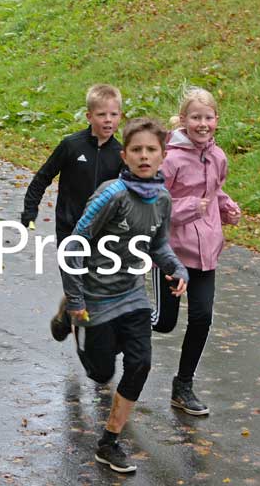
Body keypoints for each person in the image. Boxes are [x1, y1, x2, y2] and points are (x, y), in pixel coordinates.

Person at [61, 117, 188, 474]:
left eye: (151, 150)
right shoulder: (111, 195)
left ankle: (110, 441)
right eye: (137, 150)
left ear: (163, 156)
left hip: (133, 295)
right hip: (95, 296)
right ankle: (71, 321)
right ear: (125, 155)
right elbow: (74, 246)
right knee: (101, 374)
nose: (144, 156)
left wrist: (177, 269)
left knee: (140, 363)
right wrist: (75, 299)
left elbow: (159, 243)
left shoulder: (162, 198)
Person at [151, 88, 241, 416]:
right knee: (164, 323)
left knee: (202, 317)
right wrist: (191, 207)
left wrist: (225, 205)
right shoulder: (170, 158)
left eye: (208, 117)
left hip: (206, 252)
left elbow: (212, 191)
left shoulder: (218, 157)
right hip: (172, 252)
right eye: (195, 118)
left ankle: (183, 386)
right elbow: (154, 204)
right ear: (184, 120)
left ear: (216, 120)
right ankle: (117, 321)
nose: (202, 124)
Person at [19, 83, 124, 340]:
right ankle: (80, 333)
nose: (108, 120)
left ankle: (67, 314)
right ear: (89, 116)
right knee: (77, 281)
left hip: (102, 233)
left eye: (113, 114)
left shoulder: (121, 154)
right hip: (70, 229)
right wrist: (29, 211)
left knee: (92, 285)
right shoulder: (71, 146)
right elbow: (42, 177)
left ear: (120, 116)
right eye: (101, 114)